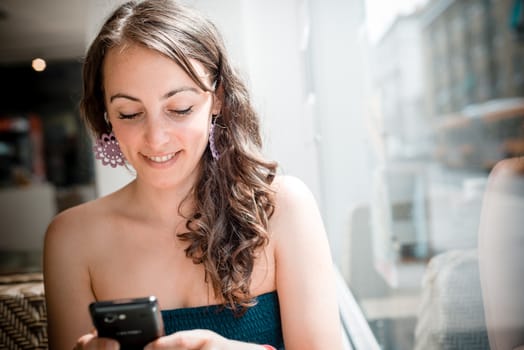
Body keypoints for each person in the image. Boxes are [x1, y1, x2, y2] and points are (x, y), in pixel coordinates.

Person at [43, 0, 343, 349]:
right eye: (128, 113)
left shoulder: (283, 209)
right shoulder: (73, 239)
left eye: (179, 108)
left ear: (216, 99)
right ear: (106, 113)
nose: (156, 138)